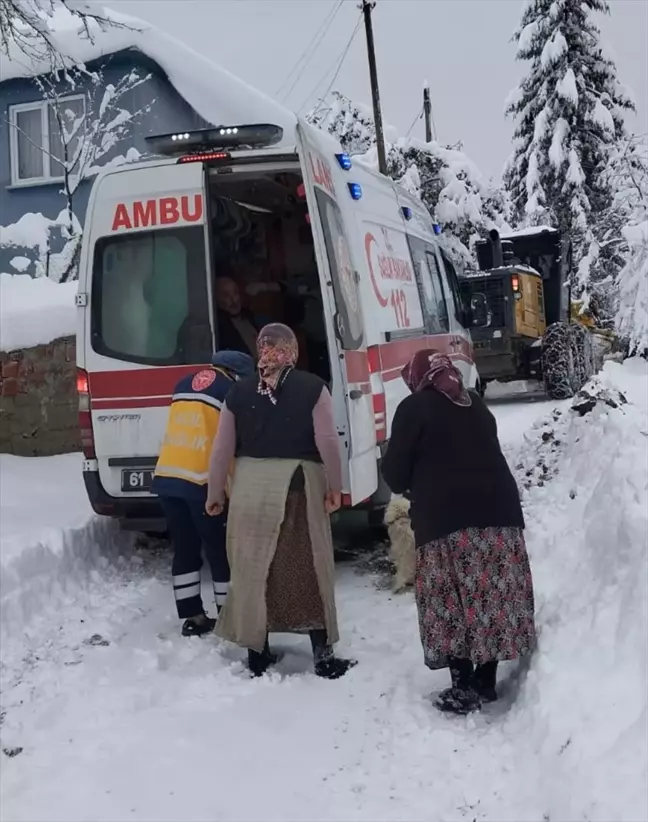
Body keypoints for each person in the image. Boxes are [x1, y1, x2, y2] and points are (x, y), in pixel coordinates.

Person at [381, 350, 536, 715]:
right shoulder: (475, 404)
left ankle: (463, 686)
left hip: (447, 519)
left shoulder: (413, 407)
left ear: (418, 377)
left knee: (449, 598)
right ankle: (485, 679)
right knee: (489, 595)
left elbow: (395, 475)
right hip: (499, 513)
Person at [206, 323, 355, 680]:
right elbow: (328, 442)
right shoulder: (313, 387)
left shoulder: (237, 392)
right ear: (292, 350)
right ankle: (322, 655)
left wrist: (214, 494)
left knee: (254, 568)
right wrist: (336, 486)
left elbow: (221, 450)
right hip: (297, 489)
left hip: (248, 491)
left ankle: (258, 654)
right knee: (309, 565)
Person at [151, 350, 255, 637]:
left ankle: (193, 616)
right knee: (219, 550)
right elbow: (232, 442)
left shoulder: (183, 383)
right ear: (236, 374)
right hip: (202, 482)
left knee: (185, 549)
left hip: (169, 477)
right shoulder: (231, 392)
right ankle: (228, 616)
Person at [215, 276, 265, 358]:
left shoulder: (250, 318)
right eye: (226, 295)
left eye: (235, 293)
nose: (234, 300)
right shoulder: (219, 329)